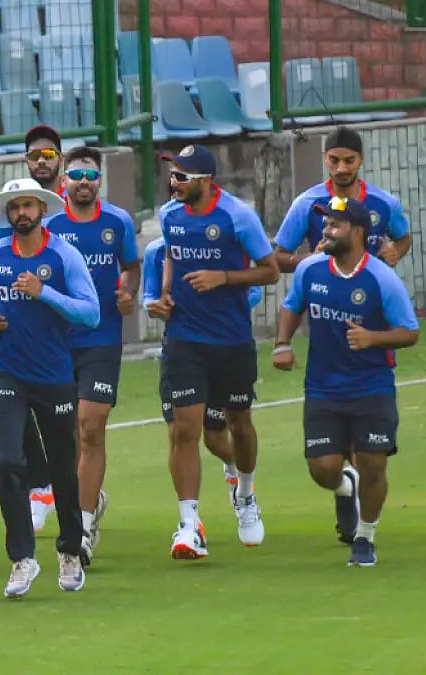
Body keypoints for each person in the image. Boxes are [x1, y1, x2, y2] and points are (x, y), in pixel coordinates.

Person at [147, 145, 280, 559]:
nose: (174, 182)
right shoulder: (170, 215)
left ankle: (245, 494)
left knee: (239, 423)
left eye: (182, 177)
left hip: (231, 340)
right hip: (185, 338)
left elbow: (270, 270)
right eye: (172, 175)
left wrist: (223, 277)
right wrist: (165, 295)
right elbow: (172, 257)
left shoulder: (238, 216)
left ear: (205, 181)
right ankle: (188, 525)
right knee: (184, 429)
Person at [272, 197, 419, 566]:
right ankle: (343, 486)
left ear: (357, 231)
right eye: (325, 225)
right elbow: (292, 306)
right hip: (322, 387)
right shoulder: (311, 269)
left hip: (372, 386)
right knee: (322, 469)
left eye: (335, 225)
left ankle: (365, 537)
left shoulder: (381, 278)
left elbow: (410, 332)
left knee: (372, 464)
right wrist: (282, 344)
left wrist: (374, 339)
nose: (326, 231)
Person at [0, 178, 100, 599]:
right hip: (6, 371)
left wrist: (44, 292)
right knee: (8, 460)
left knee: (63, 466)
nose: (21, 214)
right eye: (14, 208)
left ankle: (69, 548)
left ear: (41, 210)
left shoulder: (63, 255)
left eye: (28, 206)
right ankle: (21, 558)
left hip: (53, 373)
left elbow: (91, 313)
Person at [44, 146, 141, 564]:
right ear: (63, 179)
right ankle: (90, 499)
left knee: (91, 426)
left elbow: (131, 266)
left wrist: (128, 292)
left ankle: (81, 528)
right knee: (65, 435)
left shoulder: (118, 221)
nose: (84, 182)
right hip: (57, 342)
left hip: (102, 338)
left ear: (100, 181)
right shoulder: (49, 225)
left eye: (91, 175)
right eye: (77, 174)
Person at [144, 237, 264, 505]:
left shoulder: (221, 243)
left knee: (215, 437)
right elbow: (149, 296)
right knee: (179, 432)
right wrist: (154, 306)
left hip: (223, 348)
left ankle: (238, 475)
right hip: (179, 350)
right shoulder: (156, 251)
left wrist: (215, 305)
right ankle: (189, 520)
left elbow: (254, 291)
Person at [273, 126, 410, 273]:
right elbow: (277, 257)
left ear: (361, 159)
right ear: (325, 158)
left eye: (349, 161)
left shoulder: (385, 203)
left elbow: (404, 239)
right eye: (334, 160)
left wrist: (394, 251)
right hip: (324, 292)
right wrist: (310, 259)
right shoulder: (305, 204)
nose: (341, 168)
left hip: (371, 293)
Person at [0, 125, 65, 241]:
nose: (41, 161)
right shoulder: (15, 202)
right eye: (34, 156)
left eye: (49, 155)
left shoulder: (76, 200)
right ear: (27, 161)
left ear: (61, 159)